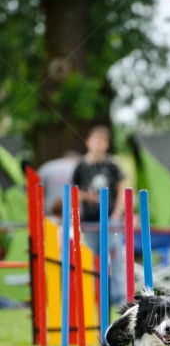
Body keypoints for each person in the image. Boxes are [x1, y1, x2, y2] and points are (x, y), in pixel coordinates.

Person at [72, 126, 127, 306]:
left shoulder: (112, 165)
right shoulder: (80, 166)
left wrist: (117, 214)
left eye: (101, 141)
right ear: (87, 142)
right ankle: (94, 297)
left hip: (111, 219)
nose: (97, 144)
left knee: (115, 258)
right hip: (89, 221)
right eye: (95, 140)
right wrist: (86, 196)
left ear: (106, 145)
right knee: (91, 259)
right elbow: (73, 191)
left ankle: (120, 299)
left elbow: (122, 189)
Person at [37, 151, 80, 215]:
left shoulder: (47, 166)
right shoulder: (78, 166)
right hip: (73, 209)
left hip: (49, 207)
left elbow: (36, 187)